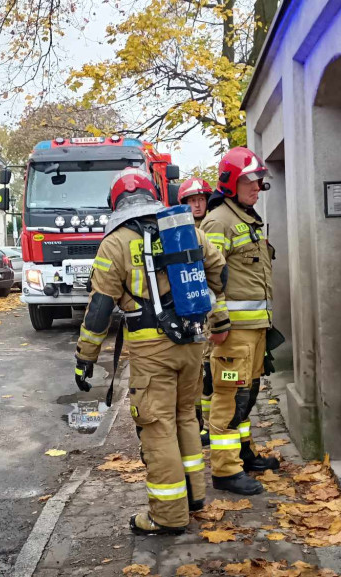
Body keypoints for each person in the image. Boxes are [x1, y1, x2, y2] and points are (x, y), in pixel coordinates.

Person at [74, 168, 230, 535]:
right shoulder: (182, 228)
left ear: (116, 203)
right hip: (192, 342)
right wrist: (207, 308)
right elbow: (219, 273)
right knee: (185, 417)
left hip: (150, 349)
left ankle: (168, 515)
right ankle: (193, 496)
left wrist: (86, 358)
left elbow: (99, 308)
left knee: (157, 426)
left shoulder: (114, 243)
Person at [200, 147, 279, 496]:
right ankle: (225, 470)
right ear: (231, 182)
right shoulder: (219, 221)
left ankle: (243, 455)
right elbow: (205, 274)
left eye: (258, 180)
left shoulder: (248, 219)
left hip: (254, 331)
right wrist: (217, 321)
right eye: (249, 179)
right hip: (232, 333)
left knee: (247, 395)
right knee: (228, 398)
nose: (256, 186)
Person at [178, 178, 215, 446]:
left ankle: (210, 424)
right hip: (192, 313)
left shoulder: (213, 227)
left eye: (201, 199)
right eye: (192, 200)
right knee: (197, 372)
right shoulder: (178, 233)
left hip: (215, 312)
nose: (198, 204)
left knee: (212, 371)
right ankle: (199, 420)